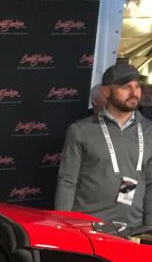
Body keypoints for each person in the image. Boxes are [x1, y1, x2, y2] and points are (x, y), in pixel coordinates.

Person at [56, 62, 152, 230]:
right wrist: (62, 225)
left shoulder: (149, 131)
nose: (134, 93)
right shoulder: (80, 130)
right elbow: (67, 182)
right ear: (107, 91)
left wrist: (149, 229)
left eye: (137, 86)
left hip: (134, 231)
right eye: (126, 87)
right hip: (87, 228)